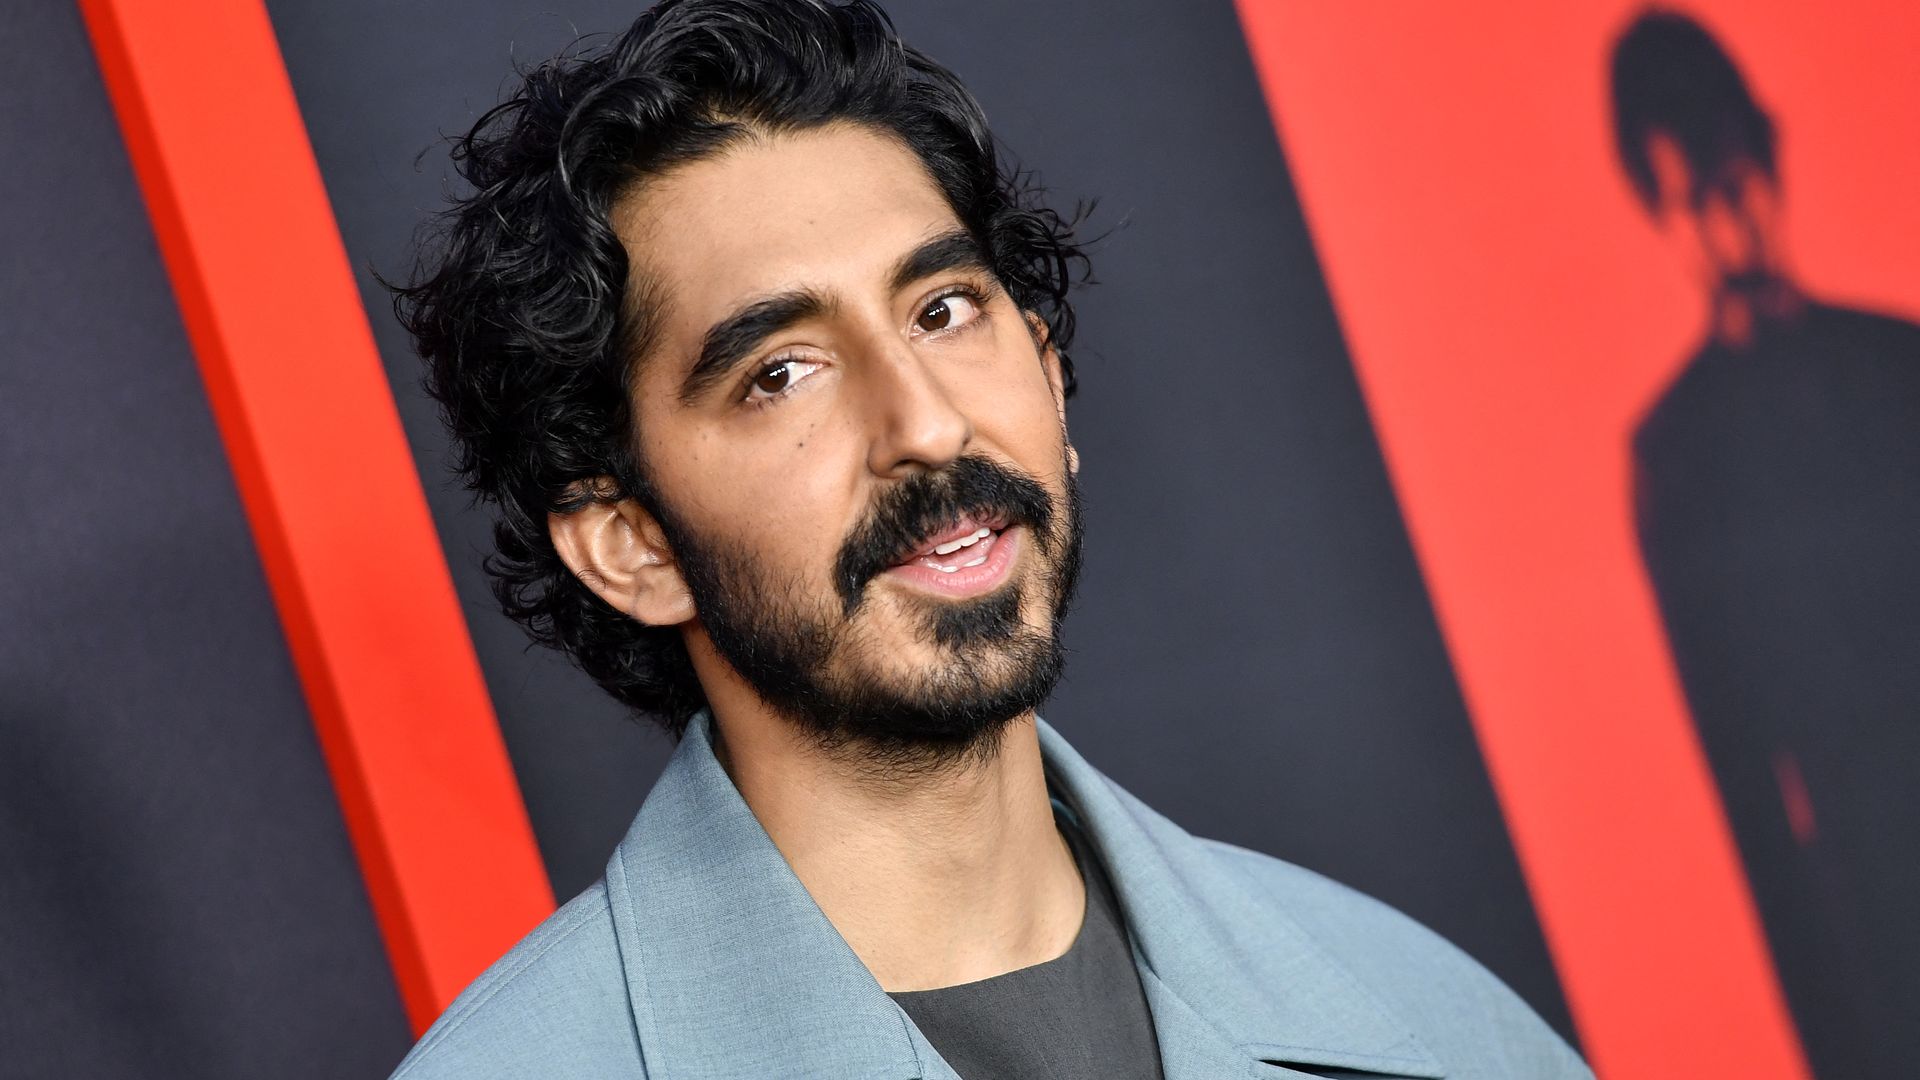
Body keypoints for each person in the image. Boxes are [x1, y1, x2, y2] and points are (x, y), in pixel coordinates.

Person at [387, 1, 1590, 1076]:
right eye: (782, 373)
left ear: (1050, 377)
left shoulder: (1429, 1021)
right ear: (631, 545)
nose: (925, 423)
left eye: (945, 309)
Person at [1612, 10, 1920, 1078]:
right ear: (1660, 213)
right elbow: (1742, 780)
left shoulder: (1899, 368)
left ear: (1772, 158)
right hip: (1871, 902)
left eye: (1735, 179)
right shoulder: (1677, 457)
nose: (1730, 224)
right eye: (1695, 199)